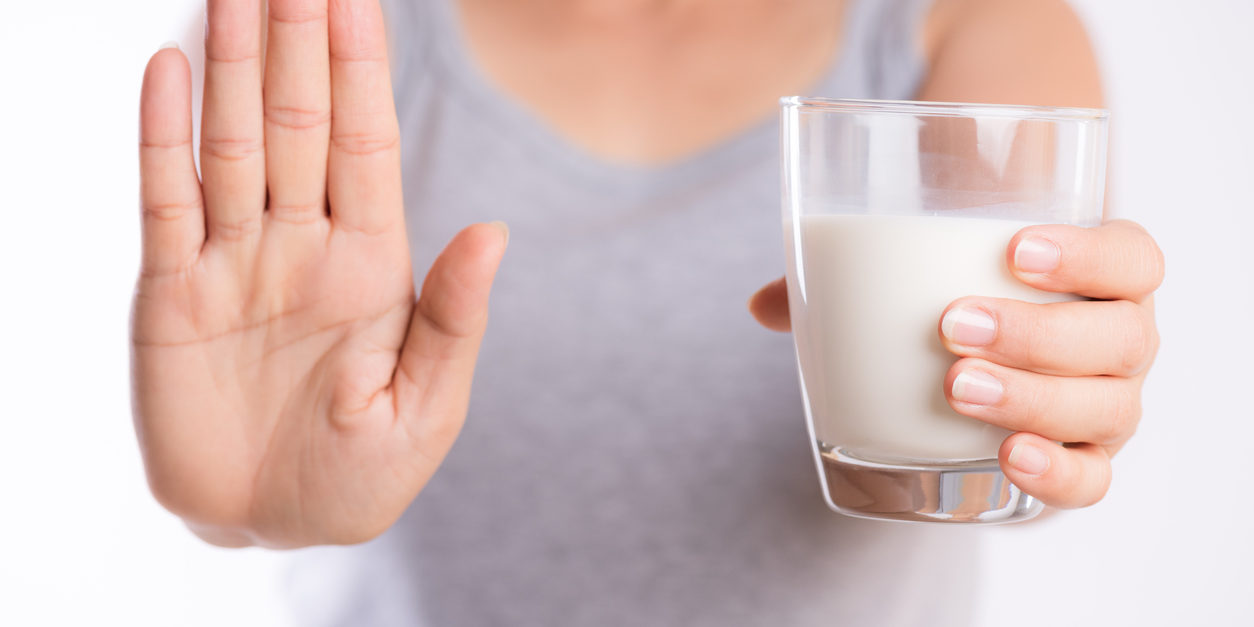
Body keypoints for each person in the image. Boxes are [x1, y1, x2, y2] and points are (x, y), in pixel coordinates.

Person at [133, 0, 1163, 624]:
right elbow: (240, 466)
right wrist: (238, 502)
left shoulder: (964, 25)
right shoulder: (324, 45)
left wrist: (1049, 411)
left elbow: (1014, 417)